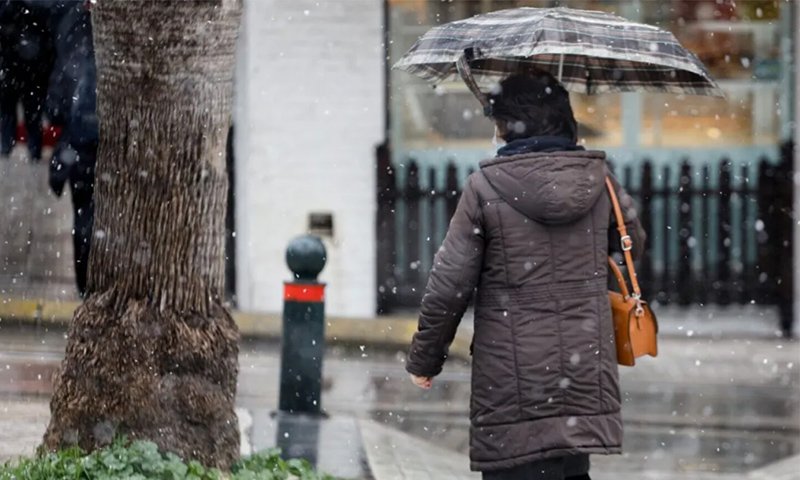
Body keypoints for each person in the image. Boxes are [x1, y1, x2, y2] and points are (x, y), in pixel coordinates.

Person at [406, 70, 646, 480]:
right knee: (570, 467)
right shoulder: (599, 179)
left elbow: (450, 285)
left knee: (514, 468)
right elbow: (632, 246)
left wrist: (425, 359)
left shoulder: (485, 187)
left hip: (509, 376)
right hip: (582, 367)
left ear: (506, 125)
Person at [46, 0, 96, 296]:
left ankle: (87, 287)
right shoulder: (78, 33)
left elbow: (56, 102)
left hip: (81, 149)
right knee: (91, 220)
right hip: (96, 149)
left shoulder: (73, 32)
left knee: (85, 220)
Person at [0, 0, 55, 160]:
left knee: (18, 112)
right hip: (24, 70)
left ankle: (12, 148)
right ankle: (14, 148)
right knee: (19, 112)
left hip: (23, 70)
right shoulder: (34, 10)